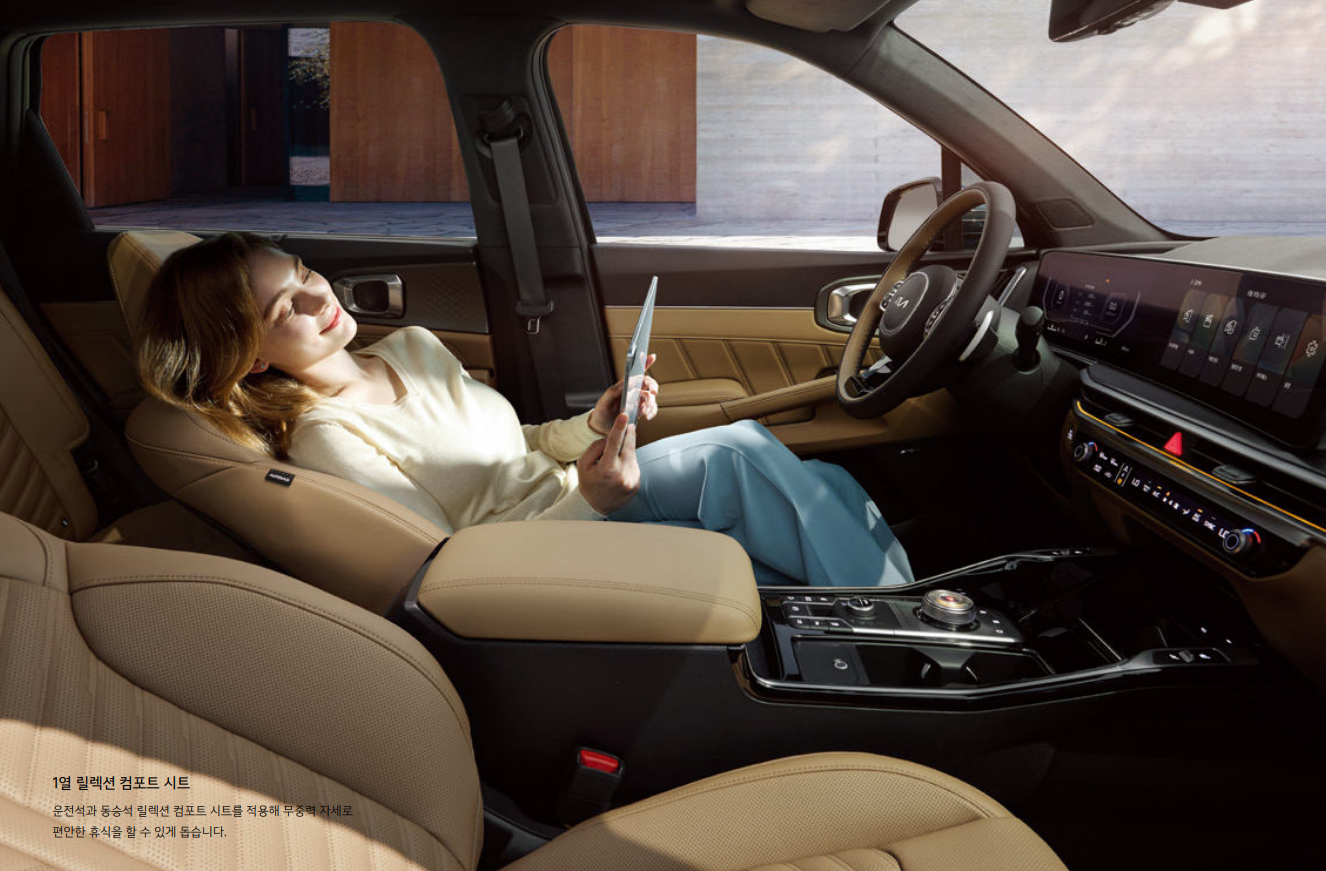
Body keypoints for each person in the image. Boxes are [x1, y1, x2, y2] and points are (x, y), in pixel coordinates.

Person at [136, 232, 914, 586]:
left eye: (305, 272)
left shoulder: (411, 346)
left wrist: (595, 427)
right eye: (286, 307)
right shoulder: (327, 437)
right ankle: (906, 631)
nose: (318, 295)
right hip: (544, 555)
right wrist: (592, 503)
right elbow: (444, 566)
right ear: (253, 356)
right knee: (741, 456)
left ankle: (879, 627)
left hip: (571, 495)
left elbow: (517, 444)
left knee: (818, 485)